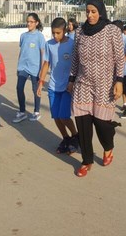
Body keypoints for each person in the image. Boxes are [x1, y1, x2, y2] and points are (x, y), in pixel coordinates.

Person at [67, 0, 124, 177]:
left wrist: (119, 81)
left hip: (105, 84)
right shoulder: (80, 32)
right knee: (83, 122)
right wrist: (71, 78)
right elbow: (76, 57)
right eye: (87, 11)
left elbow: (119, 58)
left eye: (93, 11)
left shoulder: (111, 30)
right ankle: (86, 160)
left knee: (101, 123)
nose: (90, 15)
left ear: (101, 12)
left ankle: (108, 146)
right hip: (83, 83)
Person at [37, 18, 79, 154]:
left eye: (58, 33)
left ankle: (75, 136)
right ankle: (65, 138)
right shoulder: (49, 45)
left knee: (64, 116)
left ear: (65, 30)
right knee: (56, 116)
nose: (55, 36)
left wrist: (73, 82)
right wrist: (40, 83)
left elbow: (77, 65)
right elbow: (46, 64)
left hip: (67, 86)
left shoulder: (72, 44)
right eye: (53, 33)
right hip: (53, 86)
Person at [13, 13, 46, 123]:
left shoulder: (39, 36)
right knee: (19, 87)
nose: (29, 24)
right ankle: (22, 112)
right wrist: (18, 66)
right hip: (23, 67)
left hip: (35, 68)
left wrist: (42, 70)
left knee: (35, 89)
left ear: (36, 23)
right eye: (28, 21)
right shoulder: (23, 36)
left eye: (31, 22)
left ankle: (36, 111)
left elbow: (43, 53)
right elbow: (21, 51)